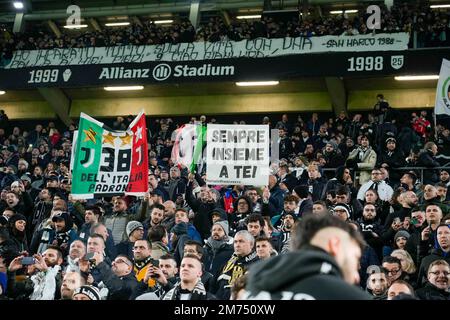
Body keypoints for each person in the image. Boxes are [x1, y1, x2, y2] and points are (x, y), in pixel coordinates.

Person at [244, 214, 371, 300]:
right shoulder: (349, 296)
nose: (356, 276)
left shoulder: (250, 287)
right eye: (355, 257)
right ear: (335, 245)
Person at [215, 230, 258, 300]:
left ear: (251, 244)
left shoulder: (257, 264)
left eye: (241, 241)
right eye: (235, 242)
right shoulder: (228, 262)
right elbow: (214, 285)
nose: (237, 245)